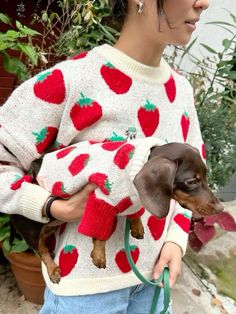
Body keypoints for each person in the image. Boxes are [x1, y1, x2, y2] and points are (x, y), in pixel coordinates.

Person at [0, 0, 209, 313]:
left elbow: (191, 178)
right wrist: (52, 207)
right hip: (86, 293)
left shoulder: (180, 91)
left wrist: (176, 240)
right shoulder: (73, 80)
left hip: (153, 280)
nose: (204, 3)